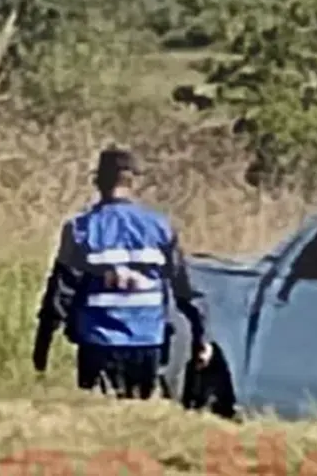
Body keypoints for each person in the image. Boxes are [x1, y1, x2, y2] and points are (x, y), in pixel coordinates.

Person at [32, 146, 212, 399]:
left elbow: (60, 292)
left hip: (98, 341)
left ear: (97, 182)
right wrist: (201, 337)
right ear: (133, 182)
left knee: (99, 419)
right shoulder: (160, 227)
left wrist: (41, 347)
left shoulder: (81, 228)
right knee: (136, 418)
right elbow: (184, 289)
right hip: (147, 339)